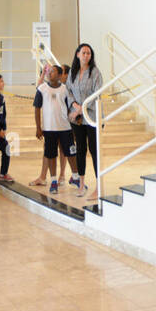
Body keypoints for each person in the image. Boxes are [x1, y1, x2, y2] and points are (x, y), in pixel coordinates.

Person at [66, 42, 105, 200]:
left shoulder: (95, 72)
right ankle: (81, 184)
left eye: (89, 53)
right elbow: (68, 90)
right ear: (77, 54)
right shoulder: (73, 72)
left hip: (92, 117)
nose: (86, 55)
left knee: (94, 151)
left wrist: (82, 108)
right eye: (83, 53)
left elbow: (97, 93)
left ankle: (98, 187)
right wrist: (75, 106)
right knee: (80, 150)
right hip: (78, 118)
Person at [31, 64, 74, 194]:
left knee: (68, 152)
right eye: (49, 71)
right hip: (49, 129)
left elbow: (70, 107)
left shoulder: (65, 89)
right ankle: (52, 179)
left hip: (65, 127)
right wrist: (39, 128)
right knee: (50, 154)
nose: (50, 73)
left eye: (53, 71)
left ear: (61, 75)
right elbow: (37, 108)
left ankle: (72, 176)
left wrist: (72, 125)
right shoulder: (42, 88)